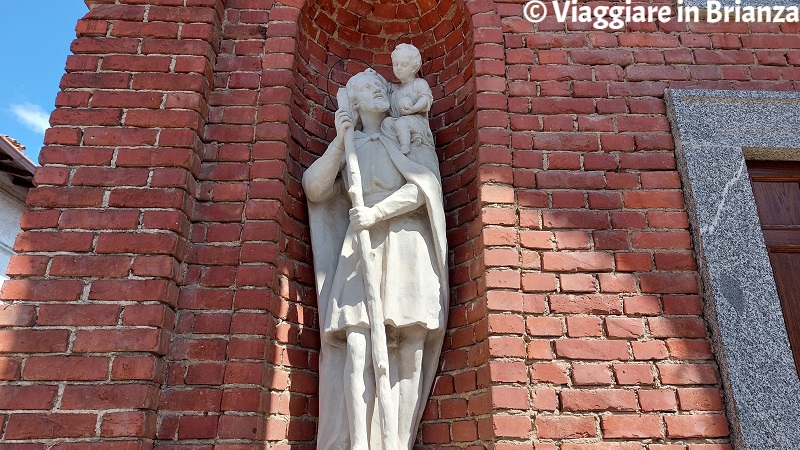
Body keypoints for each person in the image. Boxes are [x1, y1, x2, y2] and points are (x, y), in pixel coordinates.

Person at [303, 67, 448, 450]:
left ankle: (396, 441)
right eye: (368, 88)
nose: (379, 90)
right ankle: (358, 444)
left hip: (405, 244)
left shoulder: (409, 134)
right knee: (357, 343)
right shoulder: (349, 144)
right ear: (355, 102)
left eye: (381, 85)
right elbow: (316, 190)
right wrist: (339, 139)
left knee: (410, 345)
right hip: (361, 247)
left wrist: (376, 213)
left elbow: (424, 189)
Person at [388, 43, 434, 155]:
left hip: (416, 123)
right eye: (395, 64)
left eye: (404, 64)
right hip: (398, 122)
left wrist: (414, 108)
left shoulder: (419, 83)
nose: (398, 68)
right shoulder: (394, 89)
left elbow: (426, 99)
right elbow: (381, 84)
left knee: (402, 122)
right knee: (386, 122)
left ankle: (405, 146)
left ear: (414, 67)